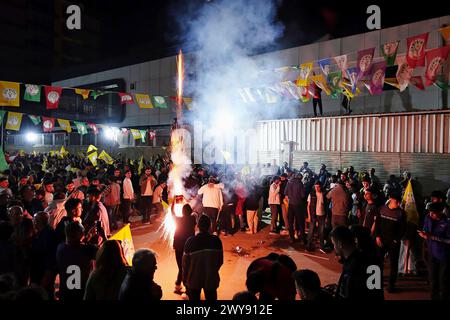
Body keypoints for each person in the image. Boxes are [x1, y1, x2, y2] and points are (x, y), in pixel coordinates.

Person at [330, 226, 384, 300]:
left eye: (334, 244)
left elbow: (347, 293)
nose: (334, 248)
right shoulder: (373, 260)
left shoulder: (352, 265)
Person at [183, 215, 223, 301]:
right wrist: (212, 270)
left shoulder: (190, 241)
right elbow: (220, 261)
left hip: (194, 279)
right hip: (211, 279)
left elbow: (185, 264)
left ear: (197, 226)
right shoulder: (216, 241)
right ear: (210, 226)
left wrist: (185, 278)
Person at [56, 221, 98, 301]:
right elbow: (106, 254)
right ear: (81, 234)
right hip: (82, 294)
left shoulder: (60, 248)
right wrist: (104, 236)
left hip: (65, 294)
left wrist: (85, 238)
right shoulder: (89, 249)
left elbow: (75, 247)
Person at [375, 192, 407, 293]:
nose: (398, 203)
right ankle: (376, 281)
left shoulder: (401, 213)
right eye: (396, 201)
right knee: (377, 262)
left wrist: (395, 240)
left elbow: (402, 229)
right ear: (390, 199)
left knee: (393, 263)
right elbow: (377, 224)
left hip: (393, 242)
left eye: (399, 201)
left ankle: (391, 284)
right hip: (381, 240)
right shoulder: (381, 209)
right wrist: (377, 237)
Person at [419, 202, 450, 300]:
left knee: (443, 281)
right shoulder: (428, 218)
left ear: (440, 212)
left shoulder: (447, 223)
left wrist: (432, 237)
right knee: (432, 280)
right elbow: (425, 229)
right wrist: (424, 234)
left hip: (444, 256)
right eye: (430, 212)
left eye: (434, 213)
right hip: (432, 254)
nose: (431, 214)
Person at [30, 212, 57, 300]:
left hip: (43, 273)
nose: (33, 222)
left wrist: (47, 274)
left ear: (38, 222)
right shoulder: (41, 233)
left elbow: (50, 256)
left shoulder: (47, 235)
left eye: (34, 220)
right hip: (40, 271)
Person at [173, 204, 196, 294]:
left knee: (181, 267)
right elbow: (194, 213)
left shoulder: (178, 220)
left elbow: (172, 213)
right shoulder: (192, 219)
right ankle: (181, 285)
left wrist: (173, 204)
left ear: (182, 212)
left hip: (178, 246)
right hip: (189, 246)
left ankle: (179, 285)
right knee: (186, 267)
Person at [306, 182, 328, 252]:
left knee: (321, 231)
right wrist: (309, 215)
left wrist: (326, 216)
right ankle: (308, 246)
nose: (317, 188)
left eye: (318, 187)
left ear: (321, 187)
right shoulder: (311, 194)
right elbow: (308, 205)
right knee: (311, 230)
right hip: (313, 215)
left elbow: (325, 206)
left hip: (321, 214)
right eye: (316, 187)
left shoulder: (323, 194)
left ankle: (322, 246)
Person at [284, 173, 306, 243]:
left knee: (290, 222)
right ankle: (302, 239)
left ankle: (291, 238)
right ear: (300, 178)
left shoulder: (289, 182)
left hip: (291, 204)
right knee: (300, 222)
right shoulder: (300, 183)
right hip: (298, 204)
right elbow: (303, 195)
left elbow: (285, 193)